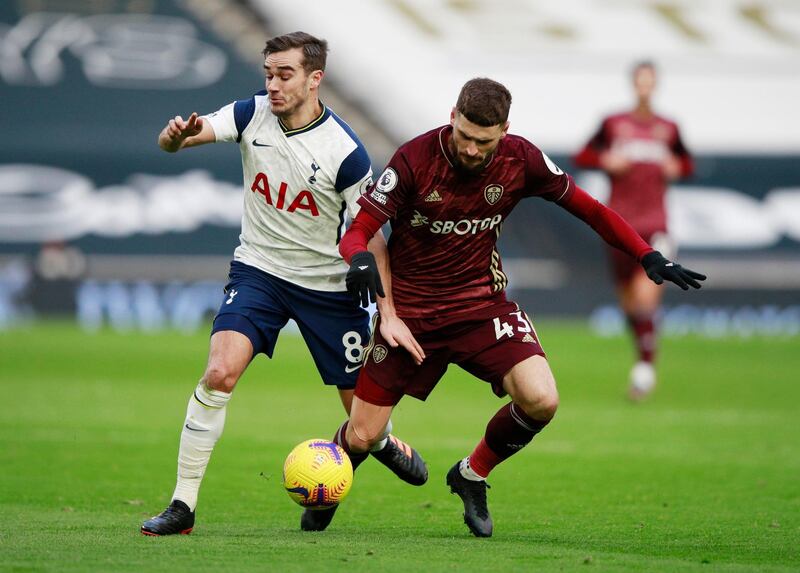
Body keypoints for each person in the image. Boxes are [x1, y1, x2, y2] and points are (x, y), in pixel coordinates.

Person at [327, 77, 705, 538]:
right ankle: (324, 487)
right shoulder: (414, 159)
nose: (470, 149)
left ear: (505, 130)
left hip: (481, 307)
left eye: (482, 141)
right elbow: (359, 226)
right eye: (464, 136)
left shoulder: (520, 159)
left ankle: (471, 474)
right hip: (410, 317)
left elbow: (591, 210)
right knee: (363, 435)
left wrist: (646, 254)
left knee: (542, 399)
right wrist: (360, 259)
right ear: (452, 116)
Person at [141, 32, 427, 537]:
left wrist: (389, 313)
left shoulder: (346, 152)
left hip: (328, 288)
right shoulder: (251, 115)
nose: (272, 85)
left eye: (285, 75)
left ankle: (380, 443)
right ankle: (182, 505)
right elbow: (182, 139)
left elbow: (373, 234)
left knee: (363, 422)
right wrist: (173, 137)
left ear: (315, 79)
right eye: (268, 74)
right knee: (219, 373)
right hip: (259, 273)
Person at [573, 61, 694, 401]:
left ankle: (644, 370)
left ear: (655, 85)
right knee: (628, 303)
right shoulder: (614, 124)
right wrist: (604, 161)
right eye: (639, 82)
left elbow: (687, 162)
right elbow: (582, 154)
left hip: (656, 225)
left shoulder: (668, 128)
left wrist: (677, 167)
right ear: (633, 85)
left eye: (649, 82)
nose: (644, 88)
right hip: (620, 227)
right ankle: (643, 353)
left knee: (645, 297)